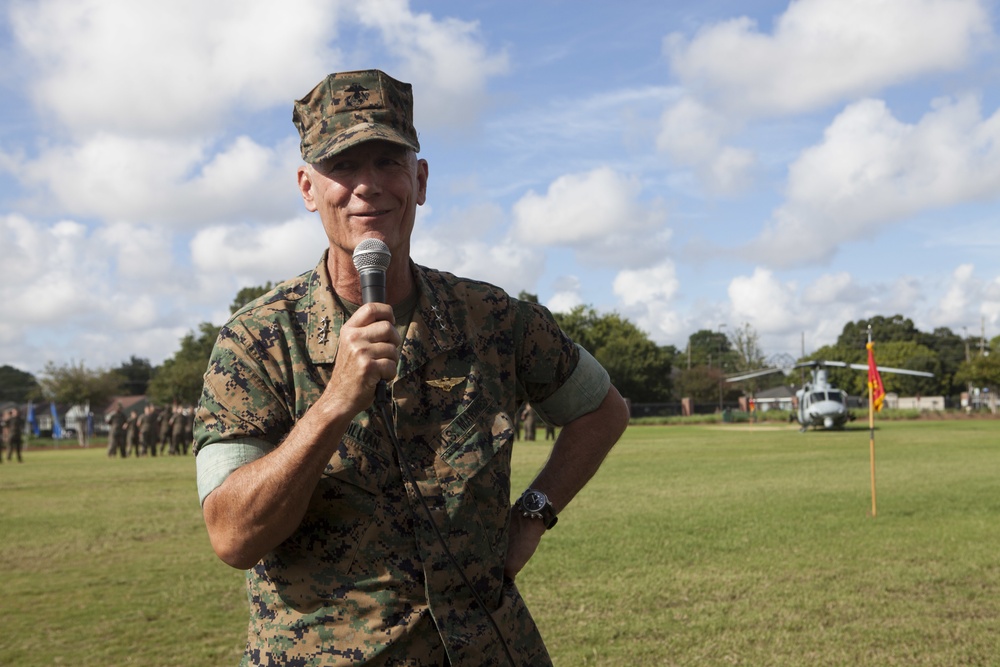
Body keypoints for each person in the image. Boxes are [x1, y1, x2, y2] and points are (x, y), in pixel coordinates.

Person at [194, 69, 629, 667]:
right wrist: (334, 402)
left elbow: (602, 412)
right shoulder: (256, 341)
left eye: (387, 161)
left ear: (419, 181)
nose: (367, 186)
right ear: (307, 187)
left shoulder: (492, 317)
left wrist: (533, 514)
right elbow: (233, 535)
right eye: (342, 166)